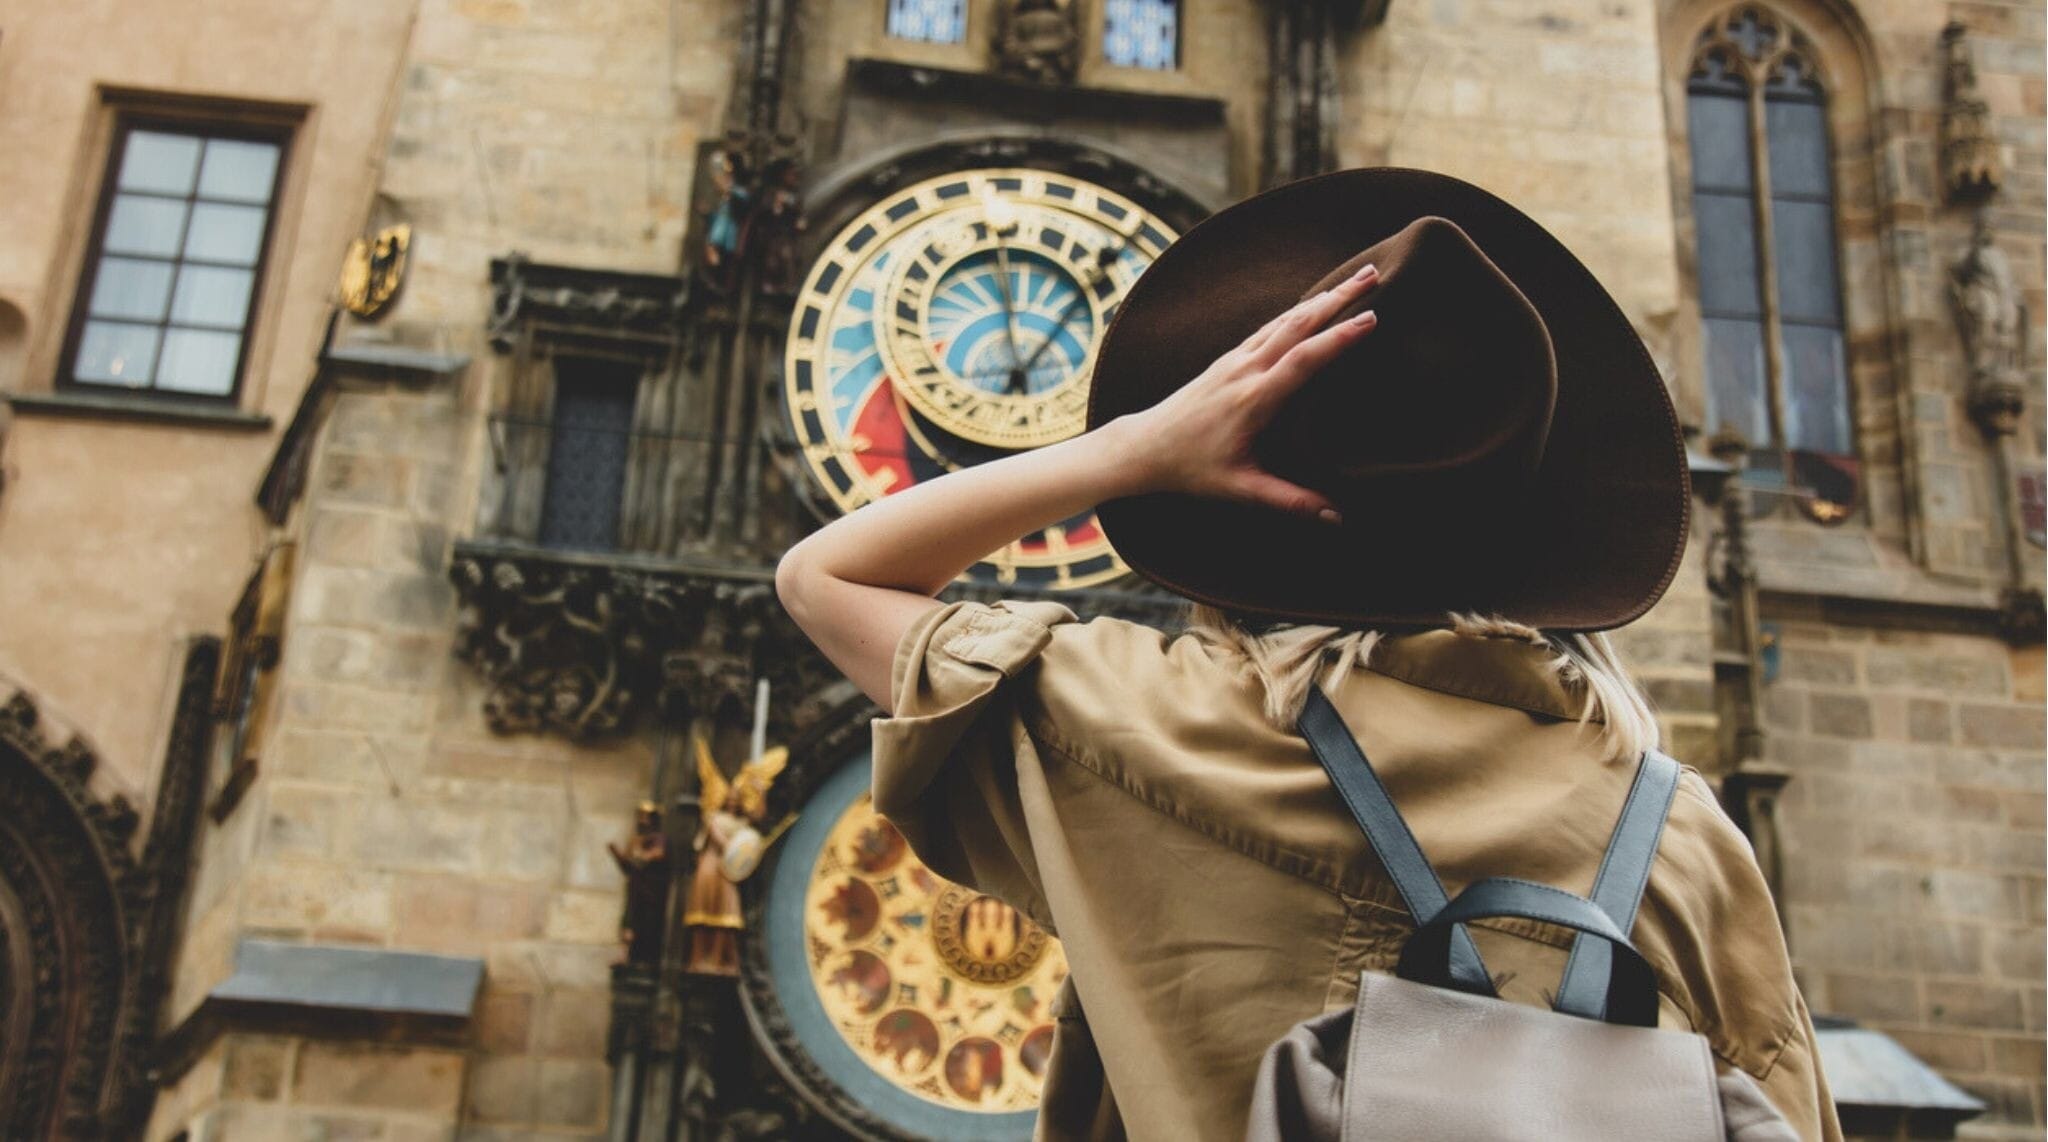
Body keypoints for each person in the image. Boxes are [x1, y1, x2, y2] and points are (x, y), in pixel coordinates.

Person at [776, 168, 1840, 1141]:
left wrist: (1131, 451)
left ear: (1251, 509)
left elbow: (826, 581)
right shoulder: (1680, 837)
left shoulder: (1153, 730)